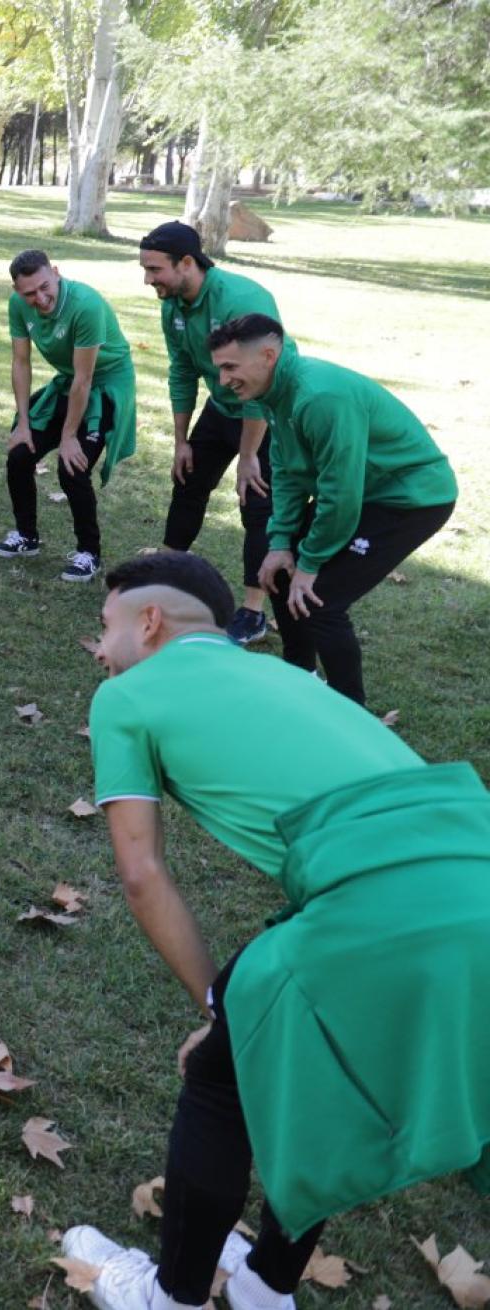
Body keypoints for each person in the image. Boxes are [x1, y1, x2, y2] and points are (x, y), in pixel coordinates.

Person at [61, 551, 490, 1310]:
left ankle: (174, 1298)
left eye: (105, 628)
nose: (98, 651)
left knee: (220, 1079)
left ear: (150, 622)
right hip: (471, 865)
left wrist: (217, 1005)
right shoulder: (291, 677)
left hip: (380, 898)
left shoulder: (125, 697)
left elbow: (140, 872)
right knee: (305, 1064)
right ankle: (264, 1285)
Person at [207, 314, 455, 705]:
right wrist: (281, 542)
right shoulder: (272, 392)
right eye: (219, 369)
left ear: (268, 355)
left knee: (321, 599)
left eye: (230, 367)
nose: (223, 380)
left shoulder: (319, 397)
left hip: (410, 497)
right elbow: (286, 469)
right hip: (360, 489)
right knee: (277, 573)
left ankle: (350, 715)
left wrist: (310, 563)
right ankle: (299, 677)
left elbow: (341, 493)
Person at [138, 222, 290, 643]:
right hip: (221, 407)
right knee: (187, 483)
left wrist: (248, 456)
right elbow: (182, 370)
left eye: (154, 270)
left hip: (267, 414)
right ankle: (165, 584)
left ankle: (253, 612)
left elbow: (263, 383)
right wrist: (181, 442)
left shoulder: (241, 300)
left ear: (187, 263)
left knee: (256, 506)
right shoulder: (173, 305)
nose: (148, 280)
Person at [0, 250, 137, 582]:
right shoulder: (18, 306)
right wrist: (23, 423)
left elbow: (86, 379)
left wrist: (69, 438)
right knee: (19, 454)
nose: (40, 298)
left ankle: (89, 553)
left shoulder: (85, 304)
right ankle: (26, 537)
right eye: (29, 293)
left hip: (107, 383)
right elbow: (20, 363)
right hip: (71, 382)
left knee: (72, 466)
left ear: (55, 272)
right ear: (17, 292)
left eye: (44, 287)